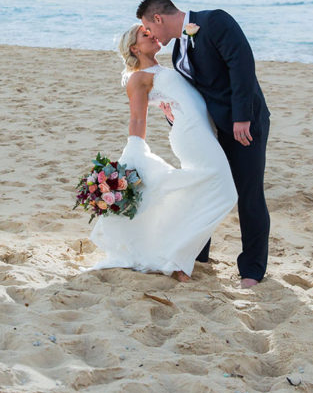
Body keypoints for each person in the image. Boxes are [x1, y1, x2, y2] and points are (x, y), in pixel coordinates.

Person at [138, 0, 270, 289]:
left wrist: (242, 117)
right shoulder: (179, 50)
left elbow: (242, 66)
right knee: (206, 186)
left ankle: (252, 269)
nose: (151, 35)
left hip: (244, 126)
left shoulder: (215, 21)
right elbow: (194, 94)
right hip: (212, 130)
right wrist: (174, 116)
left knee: (248, 194)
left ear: (158, 18)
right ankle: (199, 254)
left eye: (148, 28)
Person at [87, 25, 237, 282]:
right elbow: (137, 119)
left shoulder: (162, 70)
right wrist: (135, 150)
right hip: (191, 136)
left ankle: (175, 256)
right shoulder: (138, 78)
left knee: (209, 191)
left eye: (150, 31)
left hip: (199, 131)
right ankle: (175, 258)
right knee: (225, 193)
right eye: (145, 35)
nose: (152, 35)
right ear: (134, 48)